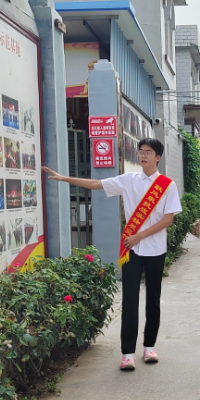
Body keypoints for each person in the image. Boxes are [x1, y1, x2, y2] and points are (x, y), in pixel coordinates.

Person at [43, 137, 182, 372]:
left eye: (148, 152)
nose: (143, 155)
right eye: (140, 151)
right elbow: (97, 184)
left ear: (158, 157)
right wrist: (65, 178)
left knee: (153, 301)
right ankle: (127, 353)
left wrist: (140, 235)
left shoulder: (167, 185)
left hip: (155, 249)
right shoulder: (128, 180)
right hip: (132, 251)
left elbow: (167, 219)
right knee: (129, 300)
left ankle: (149, 347)